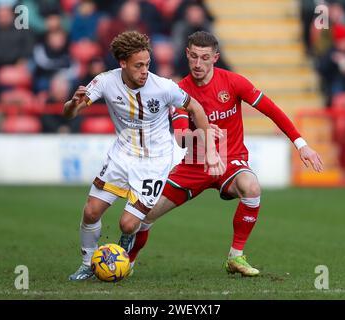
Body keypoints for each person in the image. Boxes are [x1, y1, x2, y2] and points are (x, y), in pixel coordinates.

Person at [119, 31, 324, 277]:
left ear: (215, 57)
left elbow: (271, 110)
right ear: (186, 54)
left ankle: (235, 256)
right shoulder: (179, 91)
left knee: (252, 187)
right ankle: (125, 262)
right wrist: (204, 136)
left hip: (230, 162)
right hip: (194, 165)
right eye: (193, 56)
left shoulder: (234, 82)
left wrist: (301, 144)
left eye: (204, 58)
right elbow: (182, 136)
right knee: (143, 216)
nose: (197, 64)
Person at [64, 30, 225, 281]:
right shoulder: (105, 81)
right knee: (91, 211)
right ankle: (87, 263)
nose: (144, 71)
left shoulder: (163, 87)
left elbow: (195, 107)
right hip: (122, 155)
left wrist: (211, 151)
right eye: (138, 65)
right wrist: (73, 104)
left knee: (127, 224)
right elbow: (70, 114)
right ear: (123, 63)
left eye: (147, 64)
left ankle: (123, 252)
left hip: (155, 161)